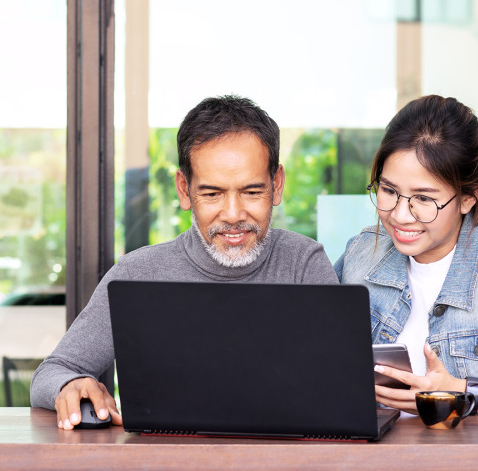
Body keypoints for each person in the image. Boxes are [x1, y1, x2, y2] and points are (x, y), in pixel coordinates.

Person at [31, 95, 339, 429]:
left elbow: (341, 382)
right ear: (183, 190)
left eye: (252, 192)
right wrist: (69, 385)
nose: (233, 215)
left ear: (276, 185)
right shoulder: (138, 273)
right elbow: (51, 373)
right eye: (212, 194)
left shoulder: (304, 264)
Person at [335, 95, 478, 414]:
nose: (399, 215)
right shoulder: (359, 254)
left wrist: (459, 392)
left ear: (468, 198)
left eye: (423, 199)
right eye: (389, 191)